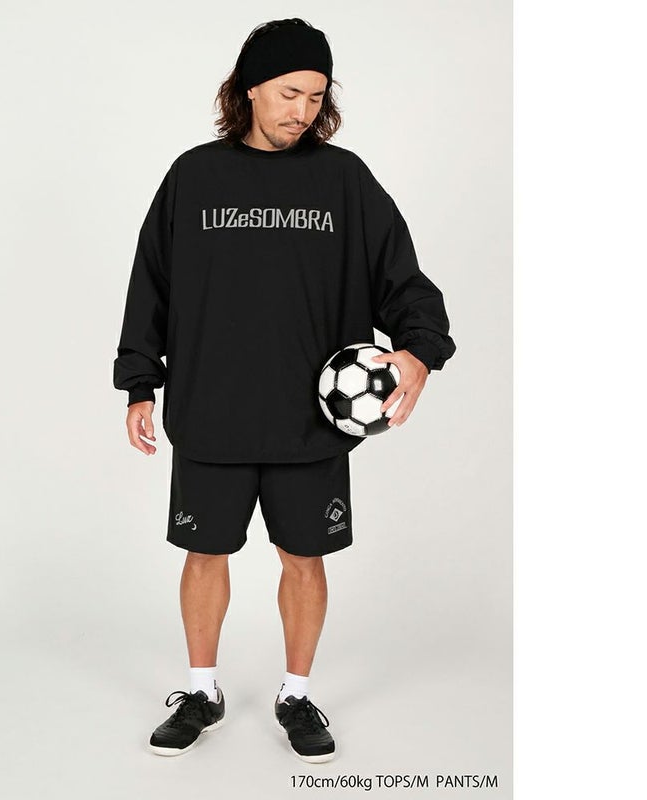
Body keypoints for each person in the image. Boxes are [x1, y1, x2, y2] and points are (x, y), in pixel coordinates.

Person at [112, 18, 456, 763]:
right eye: (289, 92)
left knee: (304, 558)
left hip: (312, 422)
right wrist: (139, 382)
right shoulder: (194, 176)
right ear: (248, 88)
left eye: (316, 96)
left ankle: (296, 695)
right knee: (204, 554)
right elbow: (151, 286)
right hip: (211, 412)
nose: (303, 110)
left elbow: (402, 279)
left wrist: (421, 350)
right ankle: (200, 691)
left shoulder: (344, 181)